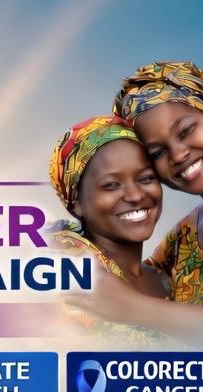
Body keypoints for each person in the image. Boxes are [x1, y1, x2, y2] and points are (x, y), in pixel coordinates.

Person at [75, 61, 203, 342]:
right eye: (157, 152)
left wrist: (133, 309)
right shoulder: (183, 236)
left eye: (185, 131)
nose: (179, 154)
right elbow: (136, 280)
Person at [48, 114, 165, 293]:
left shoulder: (170, 278)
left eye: (146, 178)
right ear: (76, 202)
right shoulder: (68, 276)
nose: (135, 195)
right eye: (111, 185)